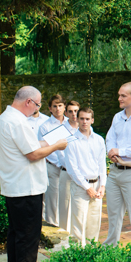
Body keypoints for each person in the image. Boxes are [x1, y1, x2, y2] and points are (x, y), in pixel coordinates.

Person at [0, 86, 68, 262]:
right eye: (36, 105)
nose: (37, 110)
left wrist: (50, 141)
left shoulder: (5, 118)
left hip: (14, 186)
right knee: (29, 236)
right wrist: (56, 147)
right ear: (28, 102)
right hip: (26, 187)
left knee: (16, 234)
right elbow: (33, 154)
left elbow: (31, 145)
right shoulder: (18, 122)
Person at [105, 82, 131, 246]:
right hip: (114, 172)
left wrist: (120, 152)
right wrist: (110, 151)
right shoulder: (117, 117)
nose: (119, 98)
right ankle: (110, 248)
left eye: (123, 95)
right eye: (119, 95)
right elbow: (109, 138)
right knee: (113, 214)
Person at [63, 107, 106, 245]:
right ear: (77, 119)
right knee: (78, 223)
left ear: (92, 120)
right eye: (81, 118)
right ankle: (77, 255)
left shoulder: (98, 140)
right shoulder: (71, 141)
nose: (84, 122)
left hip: (97, 185)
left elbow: (102, 164)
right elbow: (72, 169)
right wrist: (87, 187)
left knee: (94, 223)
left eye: (87, 119)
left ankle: (91, 253)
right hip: (81, 186)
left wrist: (102, 186)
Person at [38, 94, 68, 227]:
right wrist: (58, 163)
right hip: (53, 166)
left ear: (64, 107)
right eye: (55, 106)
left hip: (68, 168)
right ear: (50, 108)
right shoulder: (45, 126)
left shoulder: (71, 123)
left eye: (60, 106)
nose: (57, 109)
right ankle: (51, 228)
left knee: (67, 200)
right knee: (52, 200)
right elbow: (44, 147)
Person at [57, 100, 81, 231]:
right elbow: (61, 154)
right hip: (66, 172)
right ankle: (63, 238)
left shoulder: (84, 128)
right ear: (66, 113)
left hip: (82, 174)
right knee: (65, 206)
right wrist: (73, 168)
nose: (74, 114)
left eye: (76, 111)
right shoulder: (61, 130)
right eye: (70, 111)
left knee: (79, 206)